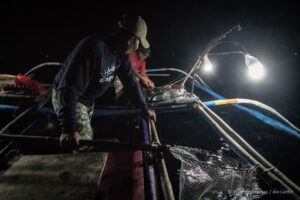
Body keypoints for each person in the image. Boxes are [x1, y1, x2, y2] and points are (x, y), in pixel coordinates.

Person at [51, 15, 156, 148]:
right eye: (138, 43)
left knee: (83, 138)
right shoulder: (93, 47)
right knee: (83, 143)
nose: (137, 48)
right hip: (72, 98)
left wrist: (145, 108)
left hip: (87, 100)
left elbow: (131, 83)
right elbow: (67, 88)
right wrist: (68, 128)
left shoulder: (120, 54)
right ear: (131, 40)